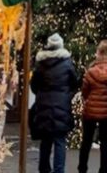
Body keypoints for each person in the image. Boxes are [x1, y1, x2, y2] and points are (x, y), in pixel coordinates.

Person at [29, 33, 78, 173]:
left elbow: (34, 86)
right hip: (62, 106)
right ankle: (59, 170)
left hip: (43, 106)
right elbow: (74, 83)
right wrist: (66, 95)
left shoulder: (41, 64)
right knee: (60, 141)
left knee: (45, 141)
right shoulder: (67, 63)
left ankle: (44, 169)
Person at [79, 40, 107, 173]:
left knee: (86, 140)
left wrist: (88, 99)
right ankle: (104, 169)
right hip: (106, 111)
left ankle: (83, 168)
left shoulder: (90, 71)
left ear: (97, 53)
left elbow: (84, 91)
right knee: (105, 141)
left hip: (90, 110)